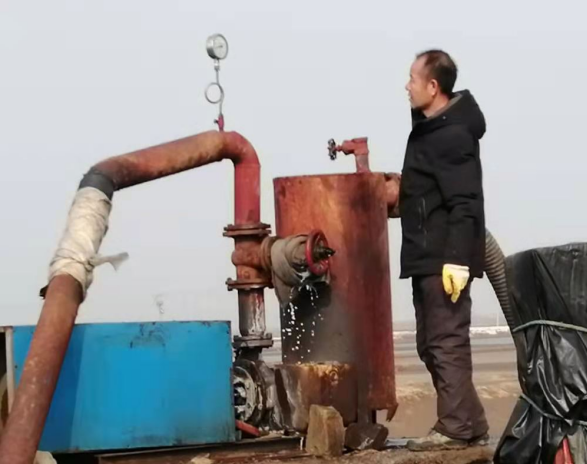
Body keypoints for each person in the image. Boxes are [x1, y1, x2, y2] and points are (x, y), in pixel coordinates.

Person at [399, 49, 489, 451]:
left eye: (413, 79)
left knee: (445, 342)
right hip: (425, 256)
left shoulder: (452, 136)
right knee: (429, 344)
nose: (407, 86)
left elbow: (465, 202)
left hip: (443, 260)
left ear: (433, 87)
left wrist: (456, 260)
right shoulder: (431, 129)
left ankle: (454, 427)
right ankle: (470, 421)